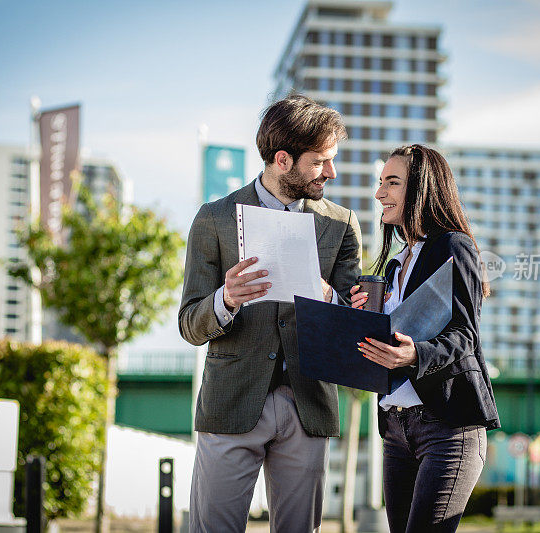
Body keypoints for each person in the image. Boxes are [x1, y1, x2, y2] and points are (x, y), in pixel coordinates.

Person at [179, 94, 362, 533]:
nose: (331, 173)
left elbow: (355, 329)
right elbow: (189, 324)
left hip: (308, 404)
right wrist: (227, 297)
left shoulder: (341, 225)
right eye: (320, 162)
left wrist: (330, 299)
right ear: (283, 160)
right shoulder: (214, 219)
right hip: (231, 403)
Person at [351, 144, 500, 533]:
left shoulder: (453, 246)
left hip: (448, 428)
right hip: (396, 429)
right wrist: (355, 315)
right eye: (380, 183)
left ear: (421, 188)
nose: (379, 193)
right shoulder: (394, 263)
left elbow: (465, 336)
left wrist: (415, 354)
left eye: (392, 182)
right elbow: (384, 342)